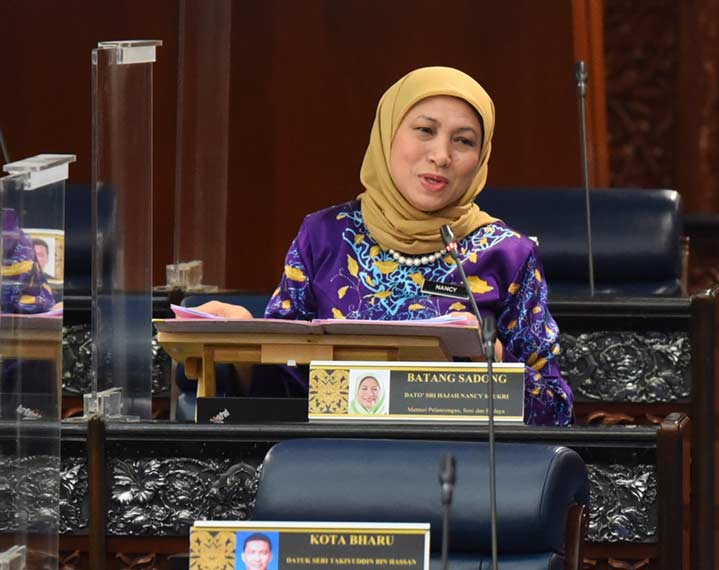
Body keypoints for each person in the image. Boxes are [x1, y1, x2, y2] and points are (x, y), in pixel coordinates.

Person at [198, 67, 574, 426]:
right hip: (329, 460)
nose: (441, 155)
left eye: (463, 141)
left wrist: (493, 358)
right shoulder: (325, 236)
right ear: (387, 134)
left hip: (462, 465)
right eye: (425, 130)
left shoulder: (507, 254)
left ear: (481, 157)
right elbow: (278, 394)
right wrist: (241, 348)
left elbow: (556, 410)